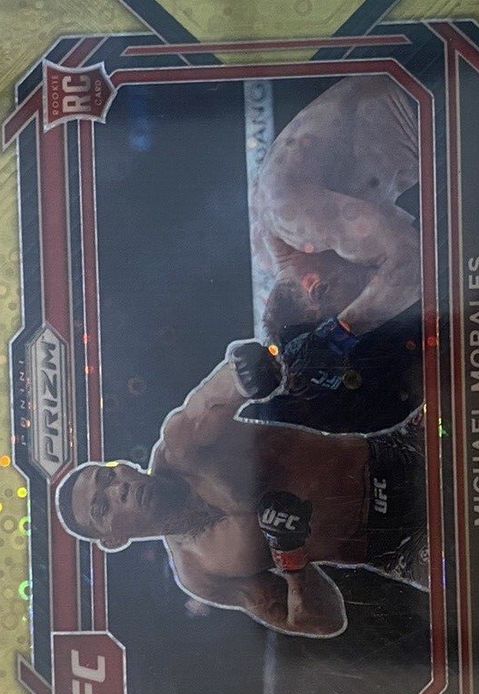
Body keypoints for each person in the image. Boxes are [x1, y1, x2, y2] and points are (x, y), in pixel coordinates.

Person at [56, 342, 427, 639]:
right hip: (398, 547)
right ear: (113, 540)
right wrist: (291, 557)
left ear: (124, 465)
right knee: (462, 579)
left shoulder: (181, 446)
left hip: (398, 452)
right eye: (102, 507)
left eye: (108, 476)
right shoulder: (199, 574)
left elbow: (212, 399)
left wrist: (244, 373)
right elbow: (324, 621)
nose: (119, 489)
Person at [251, 74, 421, 346]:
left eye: (353, 295)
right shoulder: (270, 249)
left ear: (316, 287)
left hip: (417, 93)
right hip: (412, 100)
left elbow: (412, 262)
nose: (368, 281)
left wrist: (342, 332)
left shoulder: (296, 223)